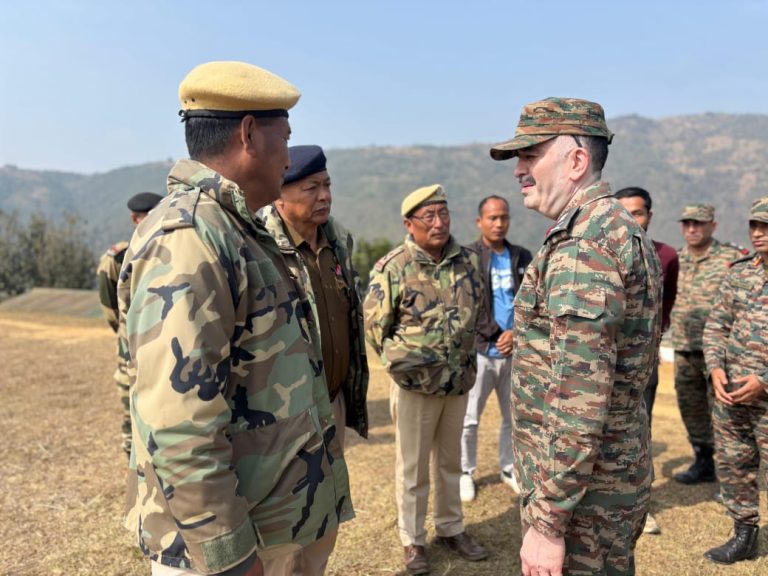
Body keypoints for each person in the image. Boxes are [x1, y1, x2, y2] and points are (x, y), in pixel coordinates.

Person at [117, 61, 352, 576]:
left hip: (267, 520)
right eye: (284, 138)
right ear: (249, 134)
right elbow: (178, 422)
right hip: (224, 546)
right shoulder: (190, 238)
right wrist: (227, 553)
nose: (289, 156)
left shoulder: (236, 227)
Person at [490, 97, 662, 576]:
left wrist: (548, 522)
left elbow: (579, 397)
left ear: (577, 161)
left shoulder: (584, 245)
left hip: (585, 499)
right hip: (602, 482)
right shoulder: (611, 229)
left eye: (530, 155)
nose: (520, 170)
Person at [364, 184, 488, 575]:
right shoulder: (393, 267)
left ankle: (451, 528)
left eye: (444, 214)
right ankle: (413, 541)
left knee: (451, 463)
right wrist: (403, 364)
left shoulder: (469, 261)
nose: (439, 223)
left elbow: (477, 310)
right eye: (428, 216)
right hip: (415, 386)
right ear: (409, 223)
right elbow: (373, 327)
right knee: (413, 468)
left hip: (458, 382)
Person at [260, 144, 369, 572]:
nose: (324, 196)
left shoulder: (338, 239)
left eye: (327, 185)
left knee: (325, 512)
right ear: (279, 196)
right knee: (285, 528)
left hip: (332, 401)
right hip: (284, 416)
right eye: (311, 187)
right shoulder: (260, 245)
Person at [702, 196, 768, 565]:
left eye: (767, 227)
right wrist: (715, 368)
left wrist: (764, 380)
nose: (758, 233)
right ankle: (744, 536)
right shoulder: (740, 271)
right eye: (754, 226)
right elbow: (717, 324)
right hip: (732, 397)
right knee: (734, 465)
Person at [614, 186, 679, 535]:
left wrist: (651, 340)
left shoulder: (666, 255)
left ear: (649, 216)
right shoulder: (602, 253)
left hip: (643, 365)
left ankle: (640, 506)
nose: (630, 220)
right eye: (623, 212)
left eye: (637, 213)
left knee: (640, 432)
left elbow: (666, 304)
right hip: (602, 366)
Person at [460, 194, 532, 502]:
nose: (499, 223)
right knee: (469, 418)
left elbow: (533, 300)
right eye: (492, 218)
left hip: (515, 352)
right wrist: (497, 333)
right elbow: (467, 305)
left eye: (503, 217)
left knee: (513, 417)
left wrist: (516, 332)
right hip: (480, 352)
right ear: (479, 222)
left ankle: (508, 467)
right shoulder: (468, 257)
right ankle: (465, 472)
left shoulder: (522, 256)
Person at [669, 204, 746, 485]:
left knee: (725, 412)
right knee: (691, 408)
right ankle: (704, 462)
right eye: (687, 223)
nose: (692, 229)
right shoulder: (675, 260)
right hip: (684, 346)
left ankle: (732, 475)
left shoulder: (733, 258)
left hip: (723, 352)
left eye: (699, 223)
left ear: (713, 226)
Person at [96, 191, 163, 456]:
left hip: (165, 356)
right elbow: (111, 311)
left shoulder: (174, 250)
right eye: (148, 217)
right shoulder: (116, 259)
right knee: (133, 425)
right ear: (135, 219)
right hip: (131, 356)